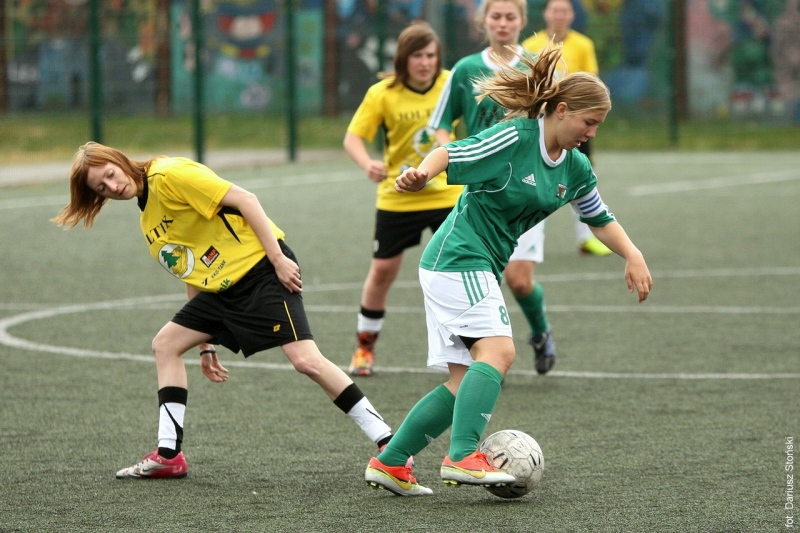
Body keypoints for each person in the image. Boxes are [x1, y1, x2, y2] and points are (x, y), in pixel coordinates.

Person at [365, 41, 653, 496]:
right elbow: (451, 153)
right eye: (589, 122)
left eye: (598, 125)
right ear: (562, 110)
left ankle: (390, 462)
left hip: (473, 264)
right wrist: (421, 174)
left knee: (463, 382)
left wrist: (633, 254)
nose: (592, 132)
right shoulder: (516, 137)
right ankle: (463, 456)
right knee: (499, 353)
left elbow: (598, 218)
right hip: (458, 257)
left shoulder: (575, 167)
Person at [52, 142, 399, 479]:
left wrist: (278, 259)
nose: (113, 186)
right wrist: (205, 345)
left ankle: (390, 444)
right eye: (102, 188)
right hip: (222, 291)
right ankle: (169, 456)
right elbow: (190, 269)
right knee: (166, 345)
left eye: (111, 174)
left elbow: (246, 200)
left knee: (306, 361)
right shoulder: (148, 219)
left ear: (119, 160)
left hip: (261, 272)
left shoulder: (169, 175)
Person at [428, 0, 559, 375]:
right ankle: (485, 359)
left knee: (519, 281)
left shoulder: (536, 67)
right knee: (480, 278)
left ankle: (540, 331)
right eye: (495, 16)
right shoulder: (466, 69)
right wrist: (451, 154)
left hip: (526, 190)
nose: (503, 23)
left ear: (522, 21)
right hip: (482, 195)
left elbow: (556, 121)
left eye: (510, 17)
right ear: (482, 22)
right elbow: (441, 124)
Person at [344, 22, 462, 377]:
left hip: (448, 194)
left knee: (461, 273)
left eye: (431, 55)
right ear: (403, 59)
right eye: (417, 56)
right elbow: (353, 137)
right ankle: (364, 348)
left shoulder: (452, 83)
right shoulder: (383, 93)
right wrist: (368, 164)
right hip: (399, 195)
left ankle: (474, 352)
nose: (425, 63)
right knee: (382, 271)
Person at [522, 0, 613, 257]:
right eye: (555, 10)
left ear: (572, 15)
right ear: (546, 14)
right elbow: (526, 83)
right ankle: (526, 237)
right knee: (532, 176)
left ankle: (587, 238)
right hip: (544, 121)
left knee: (581, 174)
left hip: (574, 122)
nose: (559, 15)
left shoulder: (583, 44)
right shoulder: (530, 45)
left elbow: (592, 82)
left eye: (564, 11)